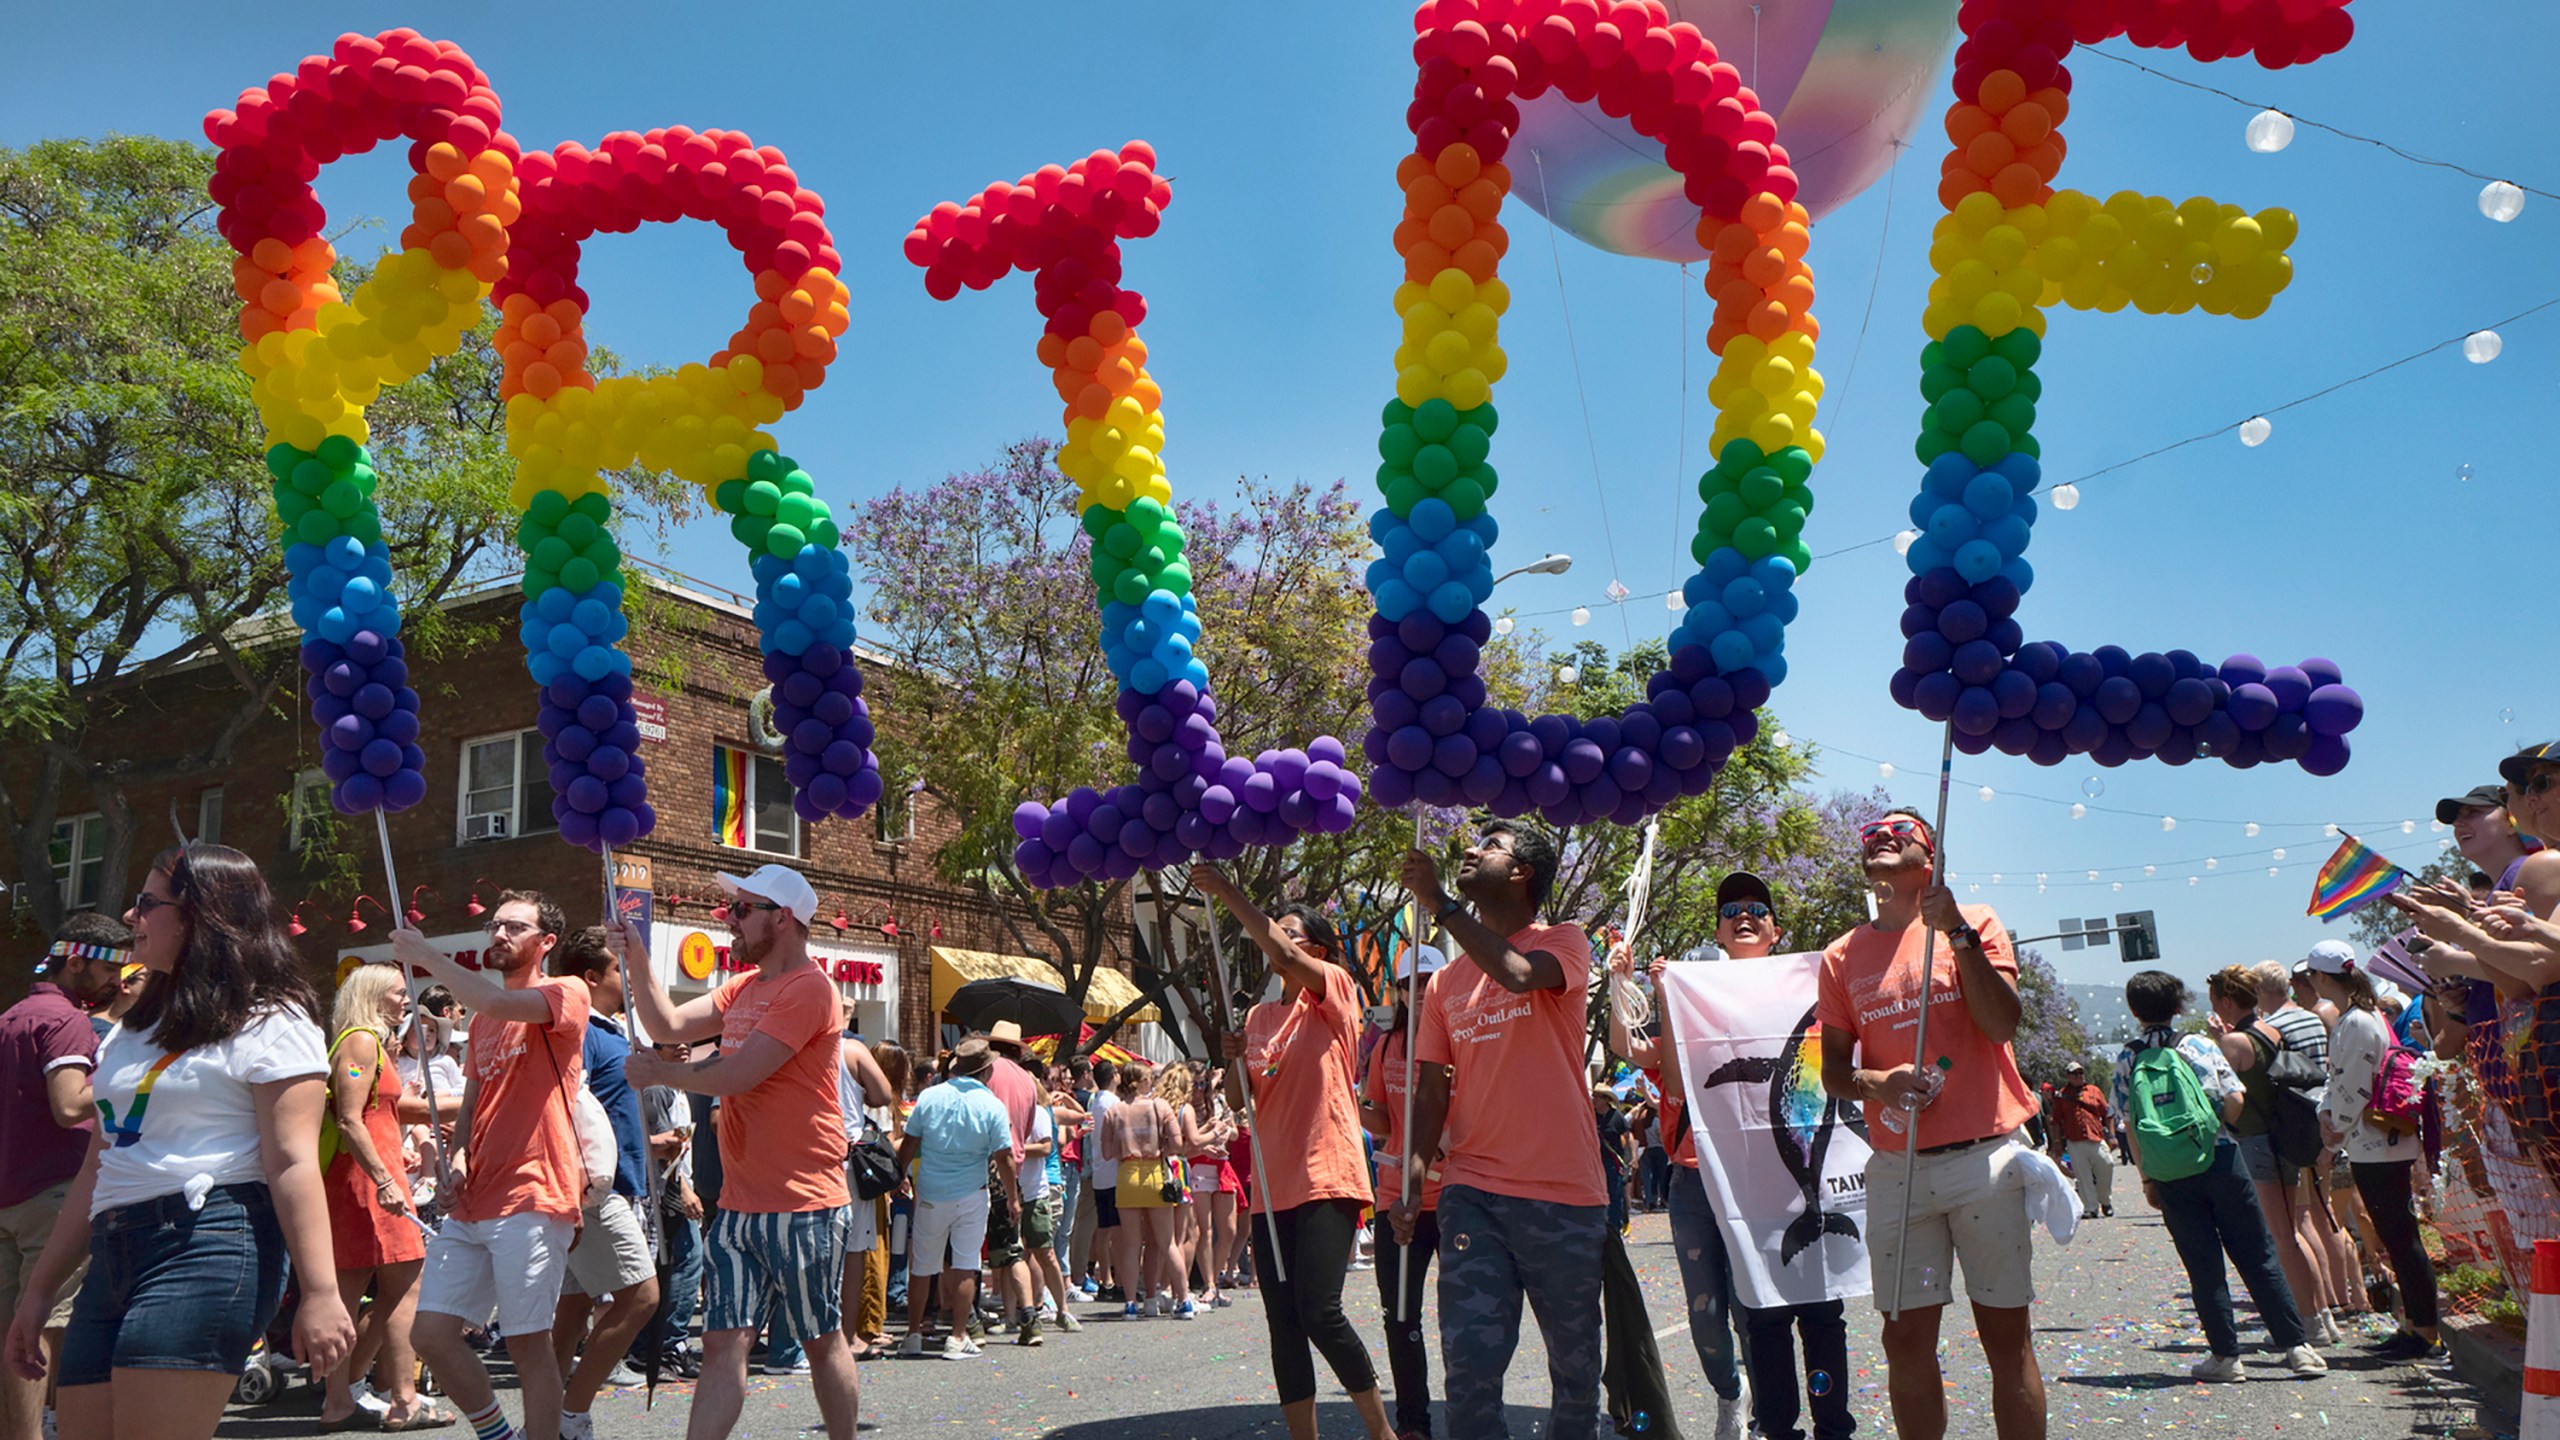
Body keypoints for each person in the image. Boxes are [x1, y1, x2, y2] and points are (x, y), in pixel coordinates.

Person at [3, 842, 354, 1439]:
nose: (131, 918)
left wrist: (321, 1291)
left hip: (211, 1238)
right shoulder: (130, 1030)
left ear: (202, 916)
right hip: (112, 1250)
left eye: (146, 904)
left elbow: (292, 1161)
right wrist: (36, 1296)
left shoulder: (274, 1017)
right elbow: (96, 1167)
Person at [1815, 809, 2044, 1440]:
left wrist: (1959, 936)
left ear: (1931, 854)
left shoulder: (1976, 923)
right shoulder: (1841, 956)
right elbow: (1833, 1073)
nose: (1882, 837)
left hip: (1986, 1163)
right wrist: (1876, 1083)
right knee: (1904, 1338)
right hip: (1899, 1170)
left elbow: (2001, 1025)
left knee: (2006, 1337)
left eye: (1901, 831)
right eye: (1871, 834)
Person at [622, 864, 859, 1440]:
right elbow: (669, 1022)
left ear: (782, 918)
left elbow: (741, 1075)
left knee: (820, 1337)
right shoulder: (745, 987)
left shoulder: (811, 988)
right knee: (723, 1339)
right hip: (739, 1203)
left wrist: (658, 1072)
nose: (729, 919)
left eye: (742, 909)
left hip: (805, 1203)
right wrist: (634, 954)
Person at [1613, 871, 1848, 1440]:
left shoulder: (1810, 988)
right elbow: (1645, 1058)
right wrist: (1626, 986)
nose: (1744, 914)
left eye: (1757, 908)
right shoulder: (1694, 998)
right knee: (1724, 1316)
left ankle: (1815, 1426)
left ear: (1777, 930)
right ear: (1718, 931)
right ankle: (1748, 1404)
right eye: (1731, 909)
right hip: (1700, 1180)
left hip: (1785, 1176)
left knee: (1800, 1308)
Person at [1394, 820, 1607, 1440]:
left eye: (1489, 845)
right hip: (1472, 1196)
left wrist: (1441, 904)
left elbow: (1516, 972)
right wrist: (1412, 1180)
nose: (1469, 848)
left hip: (1565, 1197)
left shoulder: (1565, 940)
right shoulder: (1443, 984)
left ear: (1521, 874)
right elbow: (1432, 1093)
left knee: (1575, 1373)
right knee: (1470, 1371)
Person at [1193, 862, 1399, 1440]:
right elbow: (1241, 1099)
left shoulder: (1333, 989)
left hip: (1326, 1174)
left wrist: (1227, 890)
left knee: (1321, 1311)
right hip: (1271, 1184)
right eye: (1276, 932)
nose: (1277, 944)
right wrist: (1234, 1056)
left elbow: (1284, 959)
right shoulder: (1259, 1015)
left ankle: (1380, 1432)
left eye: (1291, 933)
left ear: (1320, 950)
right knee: (1283, 1322)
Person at [396, 892, 588, 1440]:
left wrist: (428, 956)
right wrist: (455, 1160)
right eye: (495, 925)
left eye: (514, 927)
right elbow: (473, 1108)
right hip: (476, 1198)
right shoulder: (480, 1022)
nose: (499, 935)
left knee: (528, 1343)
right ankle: (499, 1435)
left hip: (534, 1192)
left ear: (545, 942)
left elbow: (506, 1005)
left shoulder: (565, 992)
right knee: (429, 1334)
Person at [2114, 970, 2327, 1383]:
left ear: (2135, 1011)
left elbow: (2130, 1124)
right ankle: (2297, 1348)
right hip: (2221, 1157)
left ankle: (2226, 1358)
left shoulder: (2127, 1058)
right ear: (2178, 1007)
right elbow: (2233, 1099)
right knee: (2257, 1252)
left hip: (2169, 1173)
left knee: (2203, 1264)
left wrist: (2148, 1178)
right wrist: (2215, 1129)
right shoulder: (2198, 1045)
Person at [0, 916, 123, 1440]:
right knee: (45, 1327)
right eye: (109, 968)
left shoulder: (11, 1017)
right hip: (53, 1194)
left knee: (10, 1331)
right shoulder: (66, 1020)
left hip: (9, 1191)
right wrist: (134, 1081)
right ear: (76, 962)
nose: (116, 982)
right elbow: (71, 1105)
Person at [317, 962, 450, 1432]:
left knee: (351, 1293)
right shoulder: (360, 1042)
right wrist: (385, 1178)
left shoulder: (364, 1043)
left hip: (362, 1181)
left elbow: (375, 1112)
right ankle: (402, 1398)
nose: (406, 1002)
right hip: (367, 1184)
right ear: (373, 995)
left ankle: (342, 1400)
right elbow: (350, 1118)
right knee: (404, 1283)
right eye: (398, 993)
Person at [545, 927, 661, 1437]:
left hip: (607, 1184)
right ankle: (570, 1415)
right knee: (641, 1297)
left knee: (572, 1311)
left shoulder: (609, 1030)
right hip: (593, 1190)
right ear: (591, 978)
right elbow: (566, 1105)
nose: (626, 978)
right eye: (619, 969)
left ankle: (545, 1420)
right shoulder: (583, 1032)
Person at [2304, 941, 2443, 1360]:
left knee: (2402, 1237)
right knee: (2395, 1238)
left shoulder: (2359, 1022)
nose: (2310, 983)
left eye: (2311, 975)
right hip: (2371, 1142)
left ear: (2324, 977)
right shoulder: (2360, 1017)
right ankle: (2413, 1326)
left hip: (2378, 1142)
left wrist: (2332, 1131)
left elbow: (2354, 1083)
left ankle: (2426, 1333)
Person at [2207, 965, 2344, 1348]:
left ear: (2228, 1002)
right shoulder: (2271, 1030)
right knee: (2297, 1231)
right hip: (2283, 1138)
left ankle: (2308, 1323)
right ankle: (2322, 1317)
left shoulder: (2235, 1043)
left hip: (2256, 1142)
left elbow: (2224, 1098)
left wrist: (2220, 1042)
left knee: (2282, 1238)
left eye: (2216, 1001)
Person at [1359, 942, 1448, 1440]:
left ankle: (1478, 1410)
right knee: (1400, 1316)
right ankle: (1413, 1423)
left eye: (1428, 981)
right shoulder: (1387, 1045)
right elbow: (1379, 1117)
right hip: (1397, 1202)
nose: (1419, 991)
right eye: (1410, 983)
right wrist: (1345, 1104)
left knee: (1463, 1318)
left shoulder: (1461, 1039)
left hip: (1455, 1198)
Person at [895, 1037, 1018, 1359]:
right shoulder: (991, 1104)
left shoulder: (930, 1096)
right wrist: (1013, 1197)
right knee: (966, 1264)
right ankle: (958, 1335)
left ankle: (913, 1334)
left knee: (922, 1266)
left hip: (931, 1190)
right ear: (986, 1070)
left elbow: (910, 1141)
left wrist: (899, 1175)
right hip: (971, 1192)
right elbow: (1004, 1156)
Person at [637, 1047, 705, 1380]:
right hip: (665, 1191)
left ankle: (660, 1345)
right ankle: (666, 1345)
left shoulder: (679, 1088)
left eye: (686, 1044)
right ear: (656, 1048)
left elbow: (680, 1140)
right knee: (687, 1262)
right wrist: (686, 1190)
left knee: (674, 1266)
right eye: (672, 1042)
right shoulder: (657, 1087)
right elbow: (665, 1148)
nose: (682, 1048)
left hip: (676, 1185)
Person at [2046, 1062, 2115, 1219]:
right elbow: (2056, 1120)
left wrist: (2111, 1135)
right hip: (2074, 1141)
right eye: (2074, 1074)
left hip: (2096, 1138)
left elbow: (2107, 1113)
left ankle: (2105, 1200)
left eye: (2080, 1073)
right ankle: (2091, 1208)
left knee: (2107, 1165)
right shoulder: (2062, 1095)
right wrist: (2057, 1142)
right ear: (2068, 1076)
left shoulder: (2094, 1091)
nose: (2078, 1076)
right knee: (2083, 1176)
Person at [1078, 1057, 1122, 1299]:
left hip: (1099, 1171)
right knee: (1117, 1231)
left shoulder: (1094, 1101)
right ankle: (1114, 1278)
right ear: (1114, 1075)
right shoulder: (1113, 1103)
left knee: (1104, 1229)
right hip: (1114, 1170)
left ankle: (1106, 1277)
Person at [1592, 1087, 1633, 1237]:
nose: (1594, 1100)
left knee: (1614, 1194)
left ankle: (1615, 1228)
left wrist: (1628, 1159)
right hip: (1596, 1162)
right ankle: (1601, 1225)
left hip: (1613, 1162)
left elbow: (1626, 1137)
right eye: (1593, 1096)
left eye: (1598, 1097)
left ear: (1606, 1100)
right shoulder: (1592, 1116)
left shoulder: (1616, 1117)